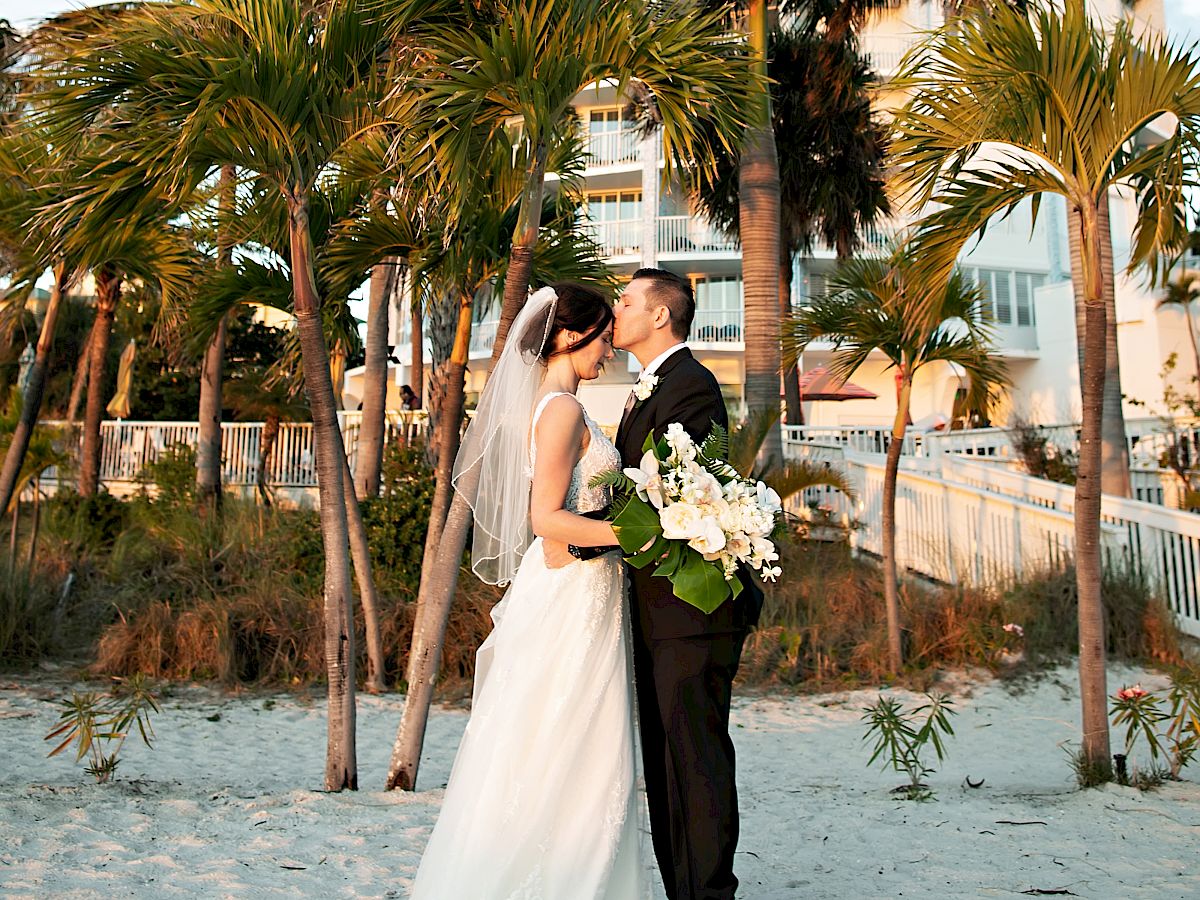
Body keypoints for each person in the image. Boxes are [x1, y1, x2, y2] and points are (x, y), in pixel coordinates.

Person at [409, 283, 652, 900]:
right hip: (575, 590)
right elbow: (544, 518)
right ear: (571, 338)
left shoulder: (560, 404)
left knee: (565, 736)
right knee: (571, 738)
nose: (609, 352)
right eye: (602, 339)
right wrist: (640, 533)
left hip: (584, 586)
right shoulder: (562, 410)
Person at [609, 268, 763, 900]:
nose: (615, 312)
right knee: (665, 762)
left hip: (693, 607)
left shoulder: (691, 386)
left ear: (660, 317)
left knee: (694, 759)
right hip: (655, 607)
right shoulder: (649, 386)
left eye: (624, 301)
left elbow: (679, 492)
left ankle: (709, 894)